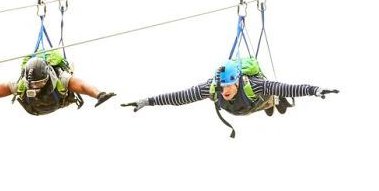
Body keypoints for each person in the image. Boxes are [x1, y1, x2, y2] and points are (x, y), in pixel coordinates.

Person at [121, 57, 338, 118]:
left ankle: (275, 103)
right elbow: (180, 97)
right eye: (223, 85)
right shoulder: (212, 88)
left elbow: (287, 87)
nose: (225, 89)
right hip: (236, 110)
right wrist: (147, 101)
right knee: (225, 99)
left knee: (273, 93)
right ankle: (271, 105)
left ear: (237, 81)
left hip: (257, 100)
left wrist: (314, 90)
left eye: (229, 86)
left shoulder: (253, 84)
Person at [0, 51, 115, 117]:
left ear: (47, 76)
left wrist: (98, 94)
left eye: (40, 82)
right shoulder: (21, 85)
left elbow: (83, 86)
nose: (36, 86)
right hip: (32, 108)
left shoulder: (61, 79)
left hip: (58, 102)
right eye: (33, 83)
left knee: (69, 84)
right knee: (19, 91)